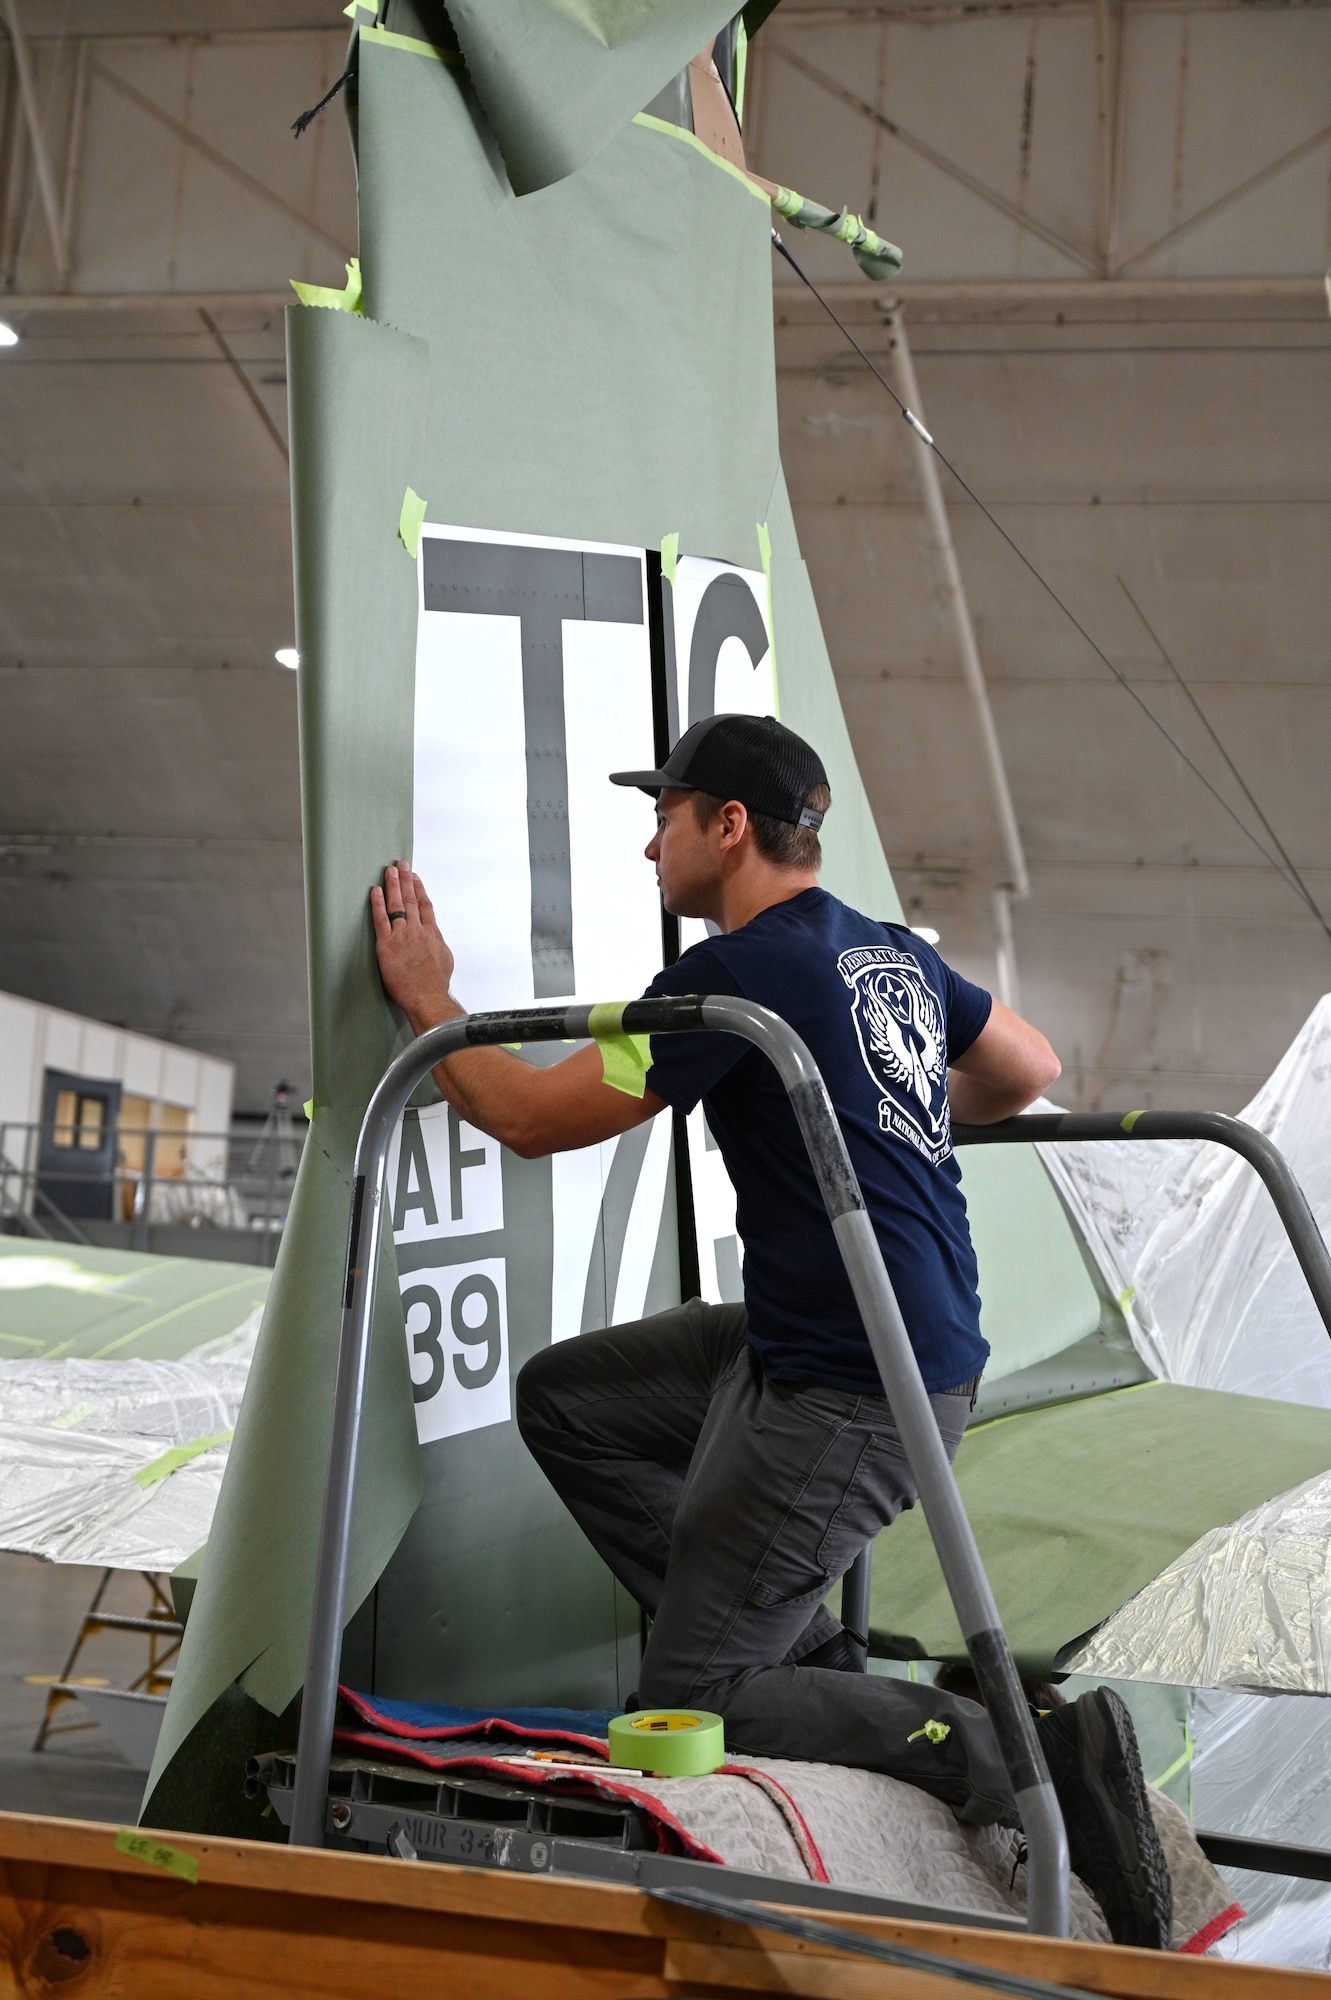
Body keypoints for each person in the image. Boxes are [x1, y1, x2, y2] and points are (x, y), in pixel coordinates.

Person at [371, 711, 1172, 1948]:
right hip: (843, 1339)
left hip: (852, 1385)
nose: (649, 846)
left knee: (697, 1698)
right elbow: (1026, 1062)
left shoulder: (728, 980)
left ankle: (1011, 1746)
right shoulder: (885, 952)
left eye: (664, 817)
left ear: (727, 827)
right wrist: (889, 1105)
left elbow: (527, 1117)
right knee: (568, 1400)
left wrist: (429, 999)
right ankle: (791, 1644)